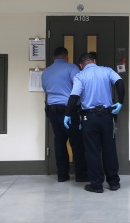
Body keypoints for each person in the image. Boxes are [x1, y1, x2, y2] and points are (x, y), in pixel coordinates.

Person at [64, 52, 125, 193]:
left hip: (89, 118)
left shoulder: (80, 76)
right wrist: (120, 102)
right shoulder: (107, 71)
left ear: (81, 65)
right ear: (94, 61)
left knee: (93, 151)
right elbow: (120, 82)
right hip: (107, 116)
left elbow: (74, 96)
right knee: (109, 149)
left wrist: (67, 114)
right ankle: (114, 182)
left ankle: (96, 185)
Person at [41, 47, 87, 182]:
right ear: (66, 57)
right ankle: (81, 175)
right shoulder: (71, 68)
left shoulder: (46, 72)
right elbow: (80, 85)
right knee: (76, 143)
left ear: (54, 58)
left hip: (52, 110)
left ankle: (62, 175)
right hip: (69, 110)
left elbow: (45, 89)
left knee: (59, 142)